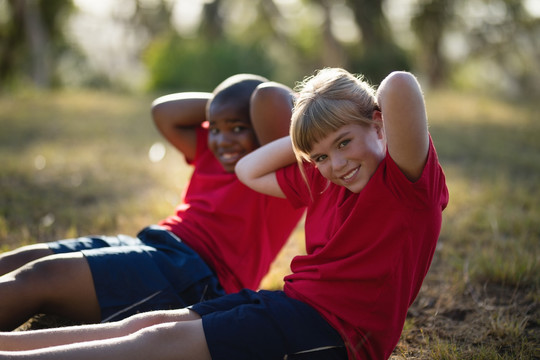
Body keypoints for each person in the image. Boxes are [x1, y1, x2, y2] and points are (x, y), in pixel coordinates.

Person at [0, 68, 449, 360]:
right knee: (147, 324)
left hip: (337, 336)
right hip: (293, 303)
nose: (336, 163)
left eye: (344, 143)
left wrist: (324, 117)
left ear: (377, 124)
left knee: (156, 344)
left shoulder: (406, 185)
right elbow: (251, 171)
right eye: (319, 156)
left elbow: (399, 86)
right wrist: (308, 142)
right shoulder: (323, 179)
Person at [0, 74, 304, 331]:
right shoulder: (212, 150)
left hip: (196, 275)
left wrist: (238, 102)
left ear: (261, 126)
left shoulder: (278, 173)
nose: (223, 140)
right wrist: (223, 106)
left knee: (40, 277)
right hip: (154, 243)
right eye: (214, 128)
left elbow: (270, 97)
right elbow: (163, 111)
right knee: (26, 259)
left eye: (237, 127)